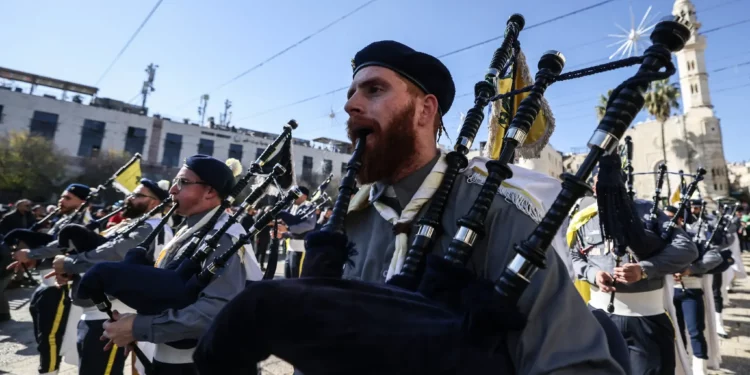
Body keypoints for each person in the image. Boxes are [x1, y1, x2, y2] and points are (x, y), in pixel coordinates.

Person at [335, 40, 624, 373]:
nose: (351, 105)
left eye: (373, 90)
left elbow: (575, 363)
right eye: (350, 93)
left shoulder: (495, 212)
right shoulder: (350, 221)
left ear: (425, 110)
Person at [101, 155, 262, 375]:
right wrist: (137, 328)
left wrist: (138, 327)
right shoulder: (193, 228)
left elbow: (216, 312)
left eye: (183, 182)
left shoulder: (222, 237)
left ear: (210, 191)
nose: (172, 190)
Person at [571, 169, 698, 374]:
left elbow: (686, 249)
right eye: (596, 183)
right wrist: (592, 273)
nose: (600, 187)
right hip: (597, 315)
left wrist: (644, 269)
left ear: (623, 183)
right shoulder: (583, 217)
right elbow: (574, 256)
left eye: (606, 182)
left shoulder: (648, 211)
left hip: (644, 317)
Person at [43, 179, 173, 375]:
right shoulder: (138, 225)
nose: (129, 198)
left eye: (137, 195)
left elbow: (111, 254)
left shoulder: (150, 227)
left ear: (154, 203)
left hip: (114, 312)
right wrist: (73, 271)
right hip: (102, 311)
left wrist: (69, 263)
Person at [4, 184, 91, 375]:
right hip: (46, 282)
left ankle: (49, 371)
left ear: (82, 202)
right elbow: (51, 241)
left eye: (68, 198)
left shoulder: (83, 221)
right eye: (62, 196)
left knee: (51, 336)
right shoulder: (66, 218)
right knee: (43, 334)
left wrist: (31, 254)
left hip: (59, 284)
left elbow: (62, 246)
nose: (62, 200)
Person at [666, 205, 722, 375]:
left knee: (696, 331)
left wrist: (691, 269)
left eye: (671, 218)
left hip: (690, 290)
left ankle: (700, 370)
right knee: (676, 333)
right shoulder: (660, 240)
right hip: (669, 292)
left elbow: (715, 256)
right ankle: (684, 367)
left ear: (681, 220)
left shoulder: (693, 237)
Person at [277, 186, 316, 279]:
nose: (293, 196)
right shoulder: (292, 207)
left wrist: (288, 229)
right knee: (288, 274)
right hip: (290, 245)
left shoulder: (309, 206)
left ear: (304, 196)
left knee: (296, 275)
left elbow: (309, 225)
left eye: (296, 194)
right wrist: (281, 233)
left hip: (301, 246)